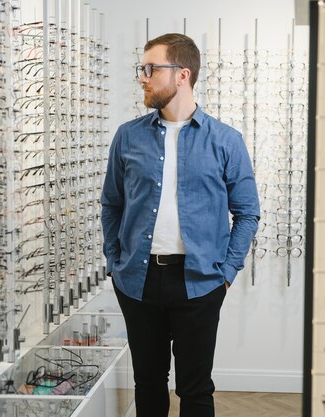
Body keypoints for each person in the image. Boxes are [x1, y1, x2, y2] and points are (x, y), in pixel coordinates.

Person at [100, 33, 260, 417]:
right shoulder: (128, 136)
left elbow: (248, 212)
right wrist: (115, 261)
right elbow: (112, 204)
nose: (143, 77)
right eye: (142, 68)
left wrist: (226, 273)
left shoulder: (226, 140)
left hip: (201, 282)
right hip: (137, 282)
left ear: (182, 74)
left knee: (196, 389)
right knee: (149, 384)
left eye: (151, 69)